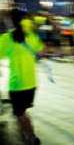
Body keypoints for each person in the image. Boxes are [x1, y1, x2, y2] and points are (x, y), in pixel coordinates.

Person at [0, 9, 45, 145]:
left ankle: (31, 136)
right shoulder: (32, 36)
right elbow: (42, 52)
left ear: (10, 22)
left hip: (17, 84)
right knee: (22, 111)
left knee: (19, 114)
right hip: (32, 83)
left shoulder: (6, 39)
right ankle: (27, 132)